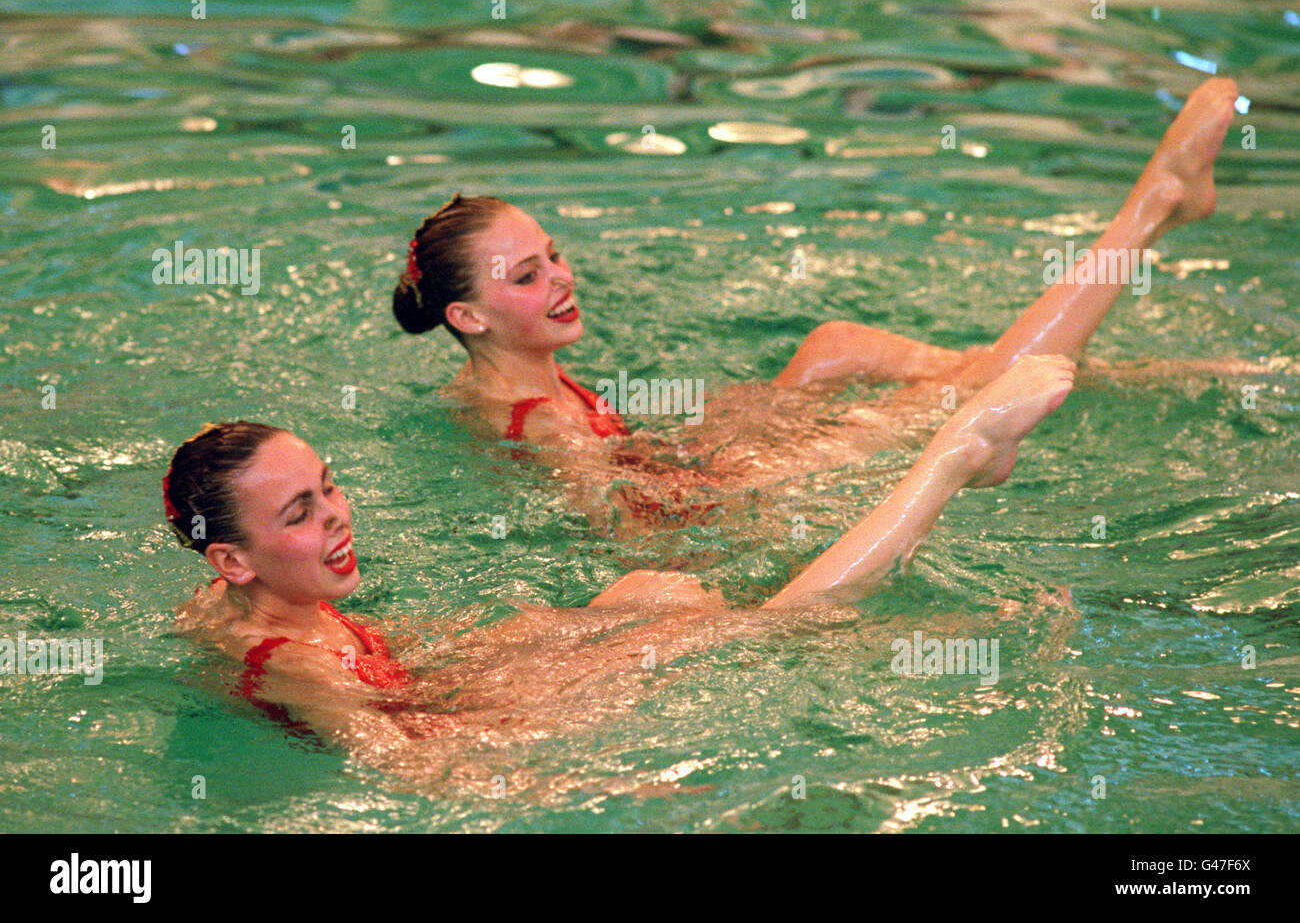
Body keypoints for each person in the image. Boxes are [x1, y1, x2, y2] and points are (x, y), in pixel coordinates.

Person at [391, 78, 1252, 529]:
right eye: (526, 277)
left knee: (837, 344)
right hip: (718, 502)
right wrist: (752, 473)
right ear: (467, 316)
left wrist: (699, 445)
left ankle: (1106, 360)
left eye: (555, 255)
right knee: (971, 391)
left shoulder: (529, 376)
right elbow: (627, 532)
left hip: (685, 461)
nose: (560, 280)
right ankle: (1153, 207)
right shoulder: (531, 417)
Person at [167, 349, 1074, 773]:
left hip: (439, 686)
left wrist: (521, 644)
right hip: (475, 733)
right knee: (754, 626)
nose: (337, 518)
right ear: (232, 561)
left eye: (329, 488)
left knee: (656, 589)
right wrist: (573, 764)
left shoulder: (248, 603)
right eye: (300, 512)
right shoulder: (284, 659)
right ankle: (952, 458)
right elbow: (414, 773)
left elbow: (272, 642)